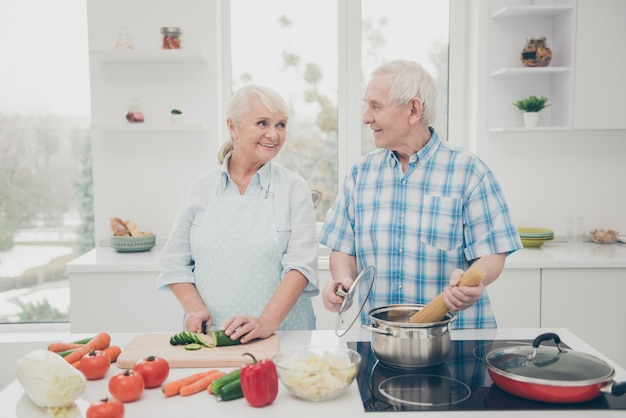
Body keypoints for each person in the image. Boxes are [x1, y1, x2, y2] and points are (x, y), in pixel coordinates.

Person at [320, 60, 522, 329]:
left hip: (456, 339)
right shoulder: (360, 173)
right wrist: (344, 282)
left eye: (376, 106)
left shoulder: (469, 171)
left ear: (413, 110)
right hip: (381, 339)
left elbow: (493, 252)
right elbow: (343, 249)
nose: (365, 117)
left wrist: (475, 281)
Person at [158, 84, 319, 343]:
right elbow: (175, 264)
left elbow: (300, 267)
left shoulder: (293, 188)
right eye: (262, 123)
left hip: (282, 335)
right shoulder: (200, 189)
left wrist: (266, 322)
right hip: (212, 337)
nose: (273, 135)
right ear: (233, 126)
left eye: (281, 125)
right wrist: (193, 307)